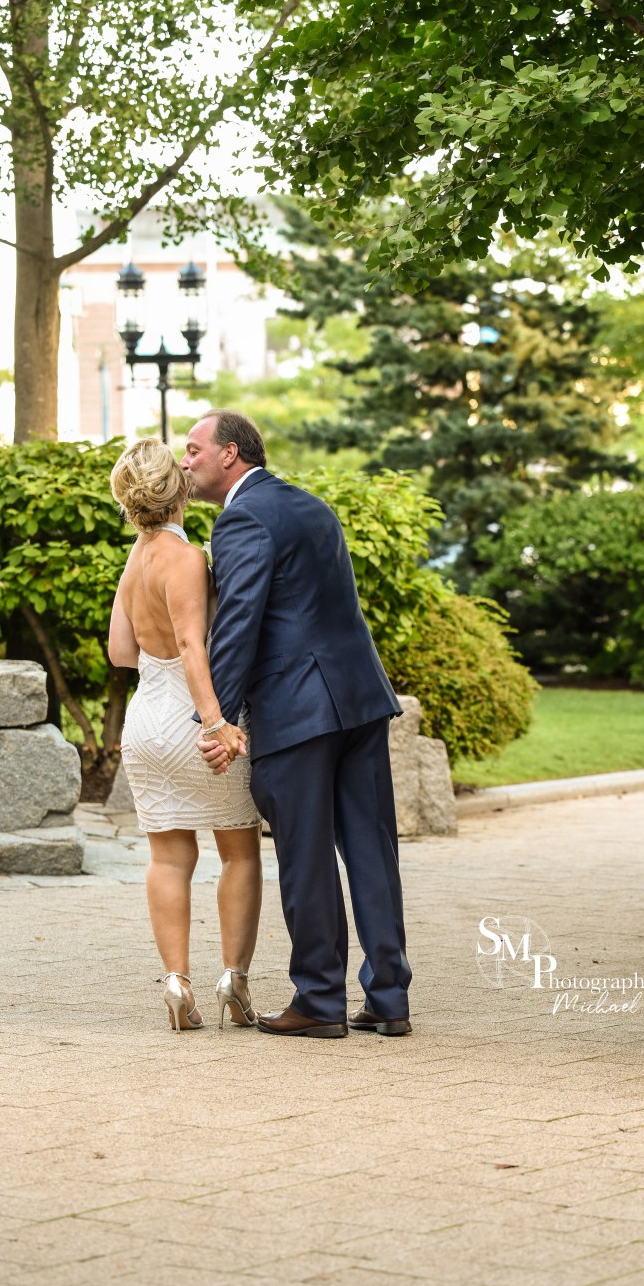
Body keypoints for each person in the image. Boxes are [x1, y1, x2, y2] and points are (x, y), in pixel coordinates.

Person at [181, 409, 412, 1038]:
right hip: (360, 700)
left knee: (306, 857)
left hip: (296, 709)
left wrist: (218, 718)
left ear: (230, 454)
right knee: (372, 851)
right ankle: (389, 999)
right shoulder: (310, 505)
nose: (185, 461)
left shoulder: (242, 518)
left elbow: (238, 625)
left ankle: (318, 1001)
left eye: (194, 449)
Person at [108, 438, 263, 1033]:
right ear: (179, 492)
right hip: (192, 716)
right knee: (238, 849)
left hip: (144, 720)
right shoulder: (187, 556)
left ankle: (177, 984)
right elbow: (195, 646)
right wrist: (216, 722)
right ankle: (234, 981)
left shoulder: (136, 558)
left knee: (169, 857)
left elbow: (122, 653)